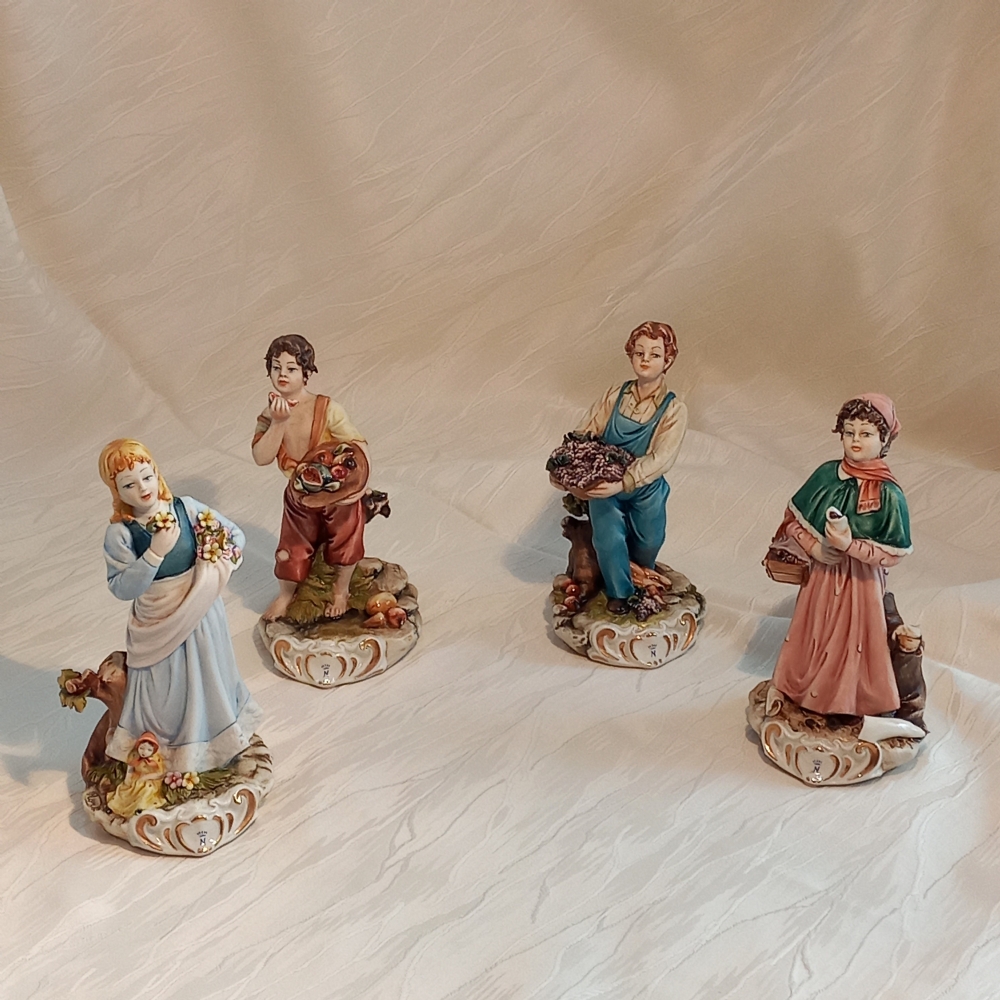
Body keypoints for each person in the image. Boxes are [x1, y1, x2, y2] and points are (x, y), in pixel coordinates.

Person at [98, 439, 263, 774]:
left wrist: (217, 565)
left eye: (146, 476)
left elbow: (234, 535)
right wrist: (155, 552)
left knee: (209, 677)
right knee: (165, 690)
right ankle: (168, 752)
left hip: (201, 610)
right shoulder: (120, 534)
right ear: (116, 491)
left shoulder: (185, 508)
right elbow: (122, 587)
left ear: (156, 472)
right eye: (129, 484)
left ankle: (217, 745)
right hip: (157, 620)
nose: (142, 488)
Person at [770, 394, 913, 717]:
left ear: (884, 439)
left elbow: (894, 554)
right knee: (814, 634)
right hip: (822, 578)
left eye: (866, 433)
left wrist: (851, 546)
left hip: (860, 586)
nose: (855, 440)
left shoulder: (889, 494)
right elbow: (791, 523)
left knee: (853, 643)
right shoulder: (826, 475)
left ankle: (847, 703)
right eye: (849, 432)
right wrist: (815, 548)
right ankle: (804, 693)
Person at [553, 321, 688, 613]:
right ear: (631, 355)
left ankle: (643, 579)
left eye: (654, 354)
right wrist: (565, 468)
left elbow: (662, 458)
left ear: (668, 360)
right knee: (608, 537)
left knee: (649, 540)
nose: (645, 360)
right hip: (604, 486)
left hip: (646, 490)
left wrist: (626, 481)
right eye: (639, 353)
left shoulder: (673, 409)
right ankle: (620, 594)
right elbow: (585, 432)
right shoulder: (615, 396)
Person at [252, 334, 369, 620]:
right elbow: (261, 456)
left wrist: (358, 484)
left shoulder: (326, 408)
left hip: (335, 493)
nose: (282, 374)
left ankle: (340, 591)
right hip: (299, 494)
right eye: (276, 367)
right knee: (291, 545)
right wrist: (278, 423)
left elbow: (356, 444)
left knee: (346, 538)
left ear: (306, 373)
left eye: (291, 368)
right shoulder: (270, 414)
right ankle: (286, 594)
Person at [106, 732, 167, 818]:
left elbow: (159, 773)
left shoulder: (155, 760)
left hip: (150, 780)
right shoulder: (134, 756)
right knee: (124, 790)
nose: (144, 752)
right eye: (142, 748)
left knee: (146, 790)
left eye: (149, 750)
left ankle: (140, 808)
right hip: (136, 778)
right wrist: (128, 778)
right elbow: (130, 768)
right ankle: (116, 808)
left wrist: (146, 777)